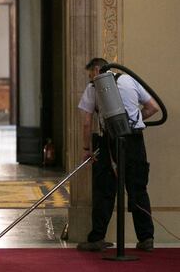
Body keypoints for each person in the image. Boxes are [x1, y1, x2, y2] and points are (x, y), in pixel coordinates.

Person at [76, 58, 159, 252]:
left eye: (90, 75)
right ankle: (146, 239)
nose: (91, 79)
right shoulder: (130, 80)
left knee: (104, 190)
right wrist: (134, 122)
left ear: (97, 70)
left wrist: (86, 149)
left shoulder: (94, 87)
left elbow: (87, 122)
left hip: (108, 142)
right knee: (138, 188)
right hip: (135, 140)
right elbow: (153, 107)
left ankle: (97, 238)